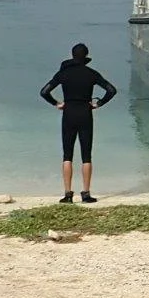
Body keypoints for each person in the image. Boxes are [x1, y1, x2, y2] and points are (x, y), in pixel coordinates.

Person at [39, 43, 117, 203]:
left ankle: (68, 194)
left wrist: (57, 103)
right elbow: (111, 90)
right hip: (85, 114)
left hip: (68, 114)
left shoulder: (63, 73)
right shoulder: (91, 74)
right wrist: (99, 103)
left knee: (67, 155)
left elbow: (44, 92)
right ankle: (86, 193)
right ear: (86, 56)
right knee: (86, 156)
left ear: (72, 55)